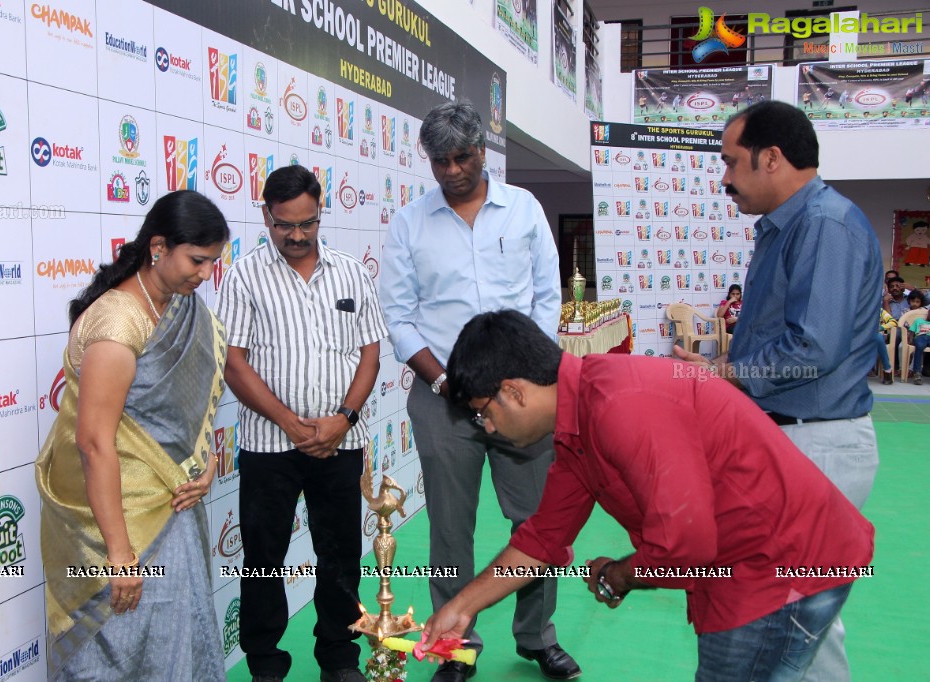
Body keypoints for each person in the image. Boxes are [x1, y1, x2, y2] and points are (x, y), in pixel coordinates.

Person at [419, 310, 875, 682]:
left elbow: (686, 545)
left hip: (777, 571)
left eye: (483, 415)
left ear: (513, 391)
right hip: (752, 568)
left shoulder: (619, 404)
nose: (490, 429)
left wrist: (620, 574)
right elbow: (541, 540)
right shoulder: (578, 422)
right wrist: (461, 608)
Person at [674, 100, 880, 682]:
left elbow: (814, 348)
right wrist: (720, 364)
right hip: (793, 440)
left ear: (771, 158)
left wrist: (723, 376)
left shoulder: (822, 226)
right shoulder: (788, 227)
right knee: (804, 612)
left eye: (732, 163)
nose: (724, 179)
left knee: (795, 610)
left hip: (816, 444)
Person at [380, 101, 578, 682]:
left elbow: (547, 296)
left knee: (538, 522)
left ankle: (538, 636)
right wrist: (444, 380)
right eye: (439, 160)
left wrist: (527, 378)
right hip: (442, 396)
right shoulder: (410, 223)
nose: (451, 170)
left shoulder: (523, 210)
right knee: (449, 528)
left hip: (524, 399)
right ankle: (455, 646)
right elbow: (398, 316)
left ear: (482, 151)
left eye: (461, 157)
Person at [36, 190, 230, 679]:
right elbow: (94, 442)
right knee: (116, 651)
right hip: (119, 525)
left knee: (173, 641)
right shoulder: (118, 321)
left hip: (172, 508)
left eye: (213, 262)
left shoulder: (178, 308)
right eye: (198, 260)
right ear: (159, 246)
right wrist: (120, 555)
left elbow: (182, 413)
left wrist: (204, 462)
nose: (206, 274)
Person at [215, 165, 388, 682]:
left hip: (341, 441)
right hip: (270, 446)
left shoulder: (351, 272)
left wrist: (343, 418)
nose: (295, 235)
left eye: (306, 223)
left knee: (341, 554)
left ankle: (339, 659)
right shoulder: (244, 274)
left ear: (320, 213)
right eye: (284, 224)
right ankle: (266, 664)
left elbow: (371, 353)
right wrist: (291, 424)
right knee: (264, 558)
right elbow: (233, 360)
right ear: (266, 215)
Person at [907, 309, 930, 384]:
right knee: (919, 347)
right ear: (928, 312)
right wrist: (910, 340)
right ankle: (917, 373)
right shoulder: (918, 320)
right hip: (921, 336)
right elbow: (911, 331)